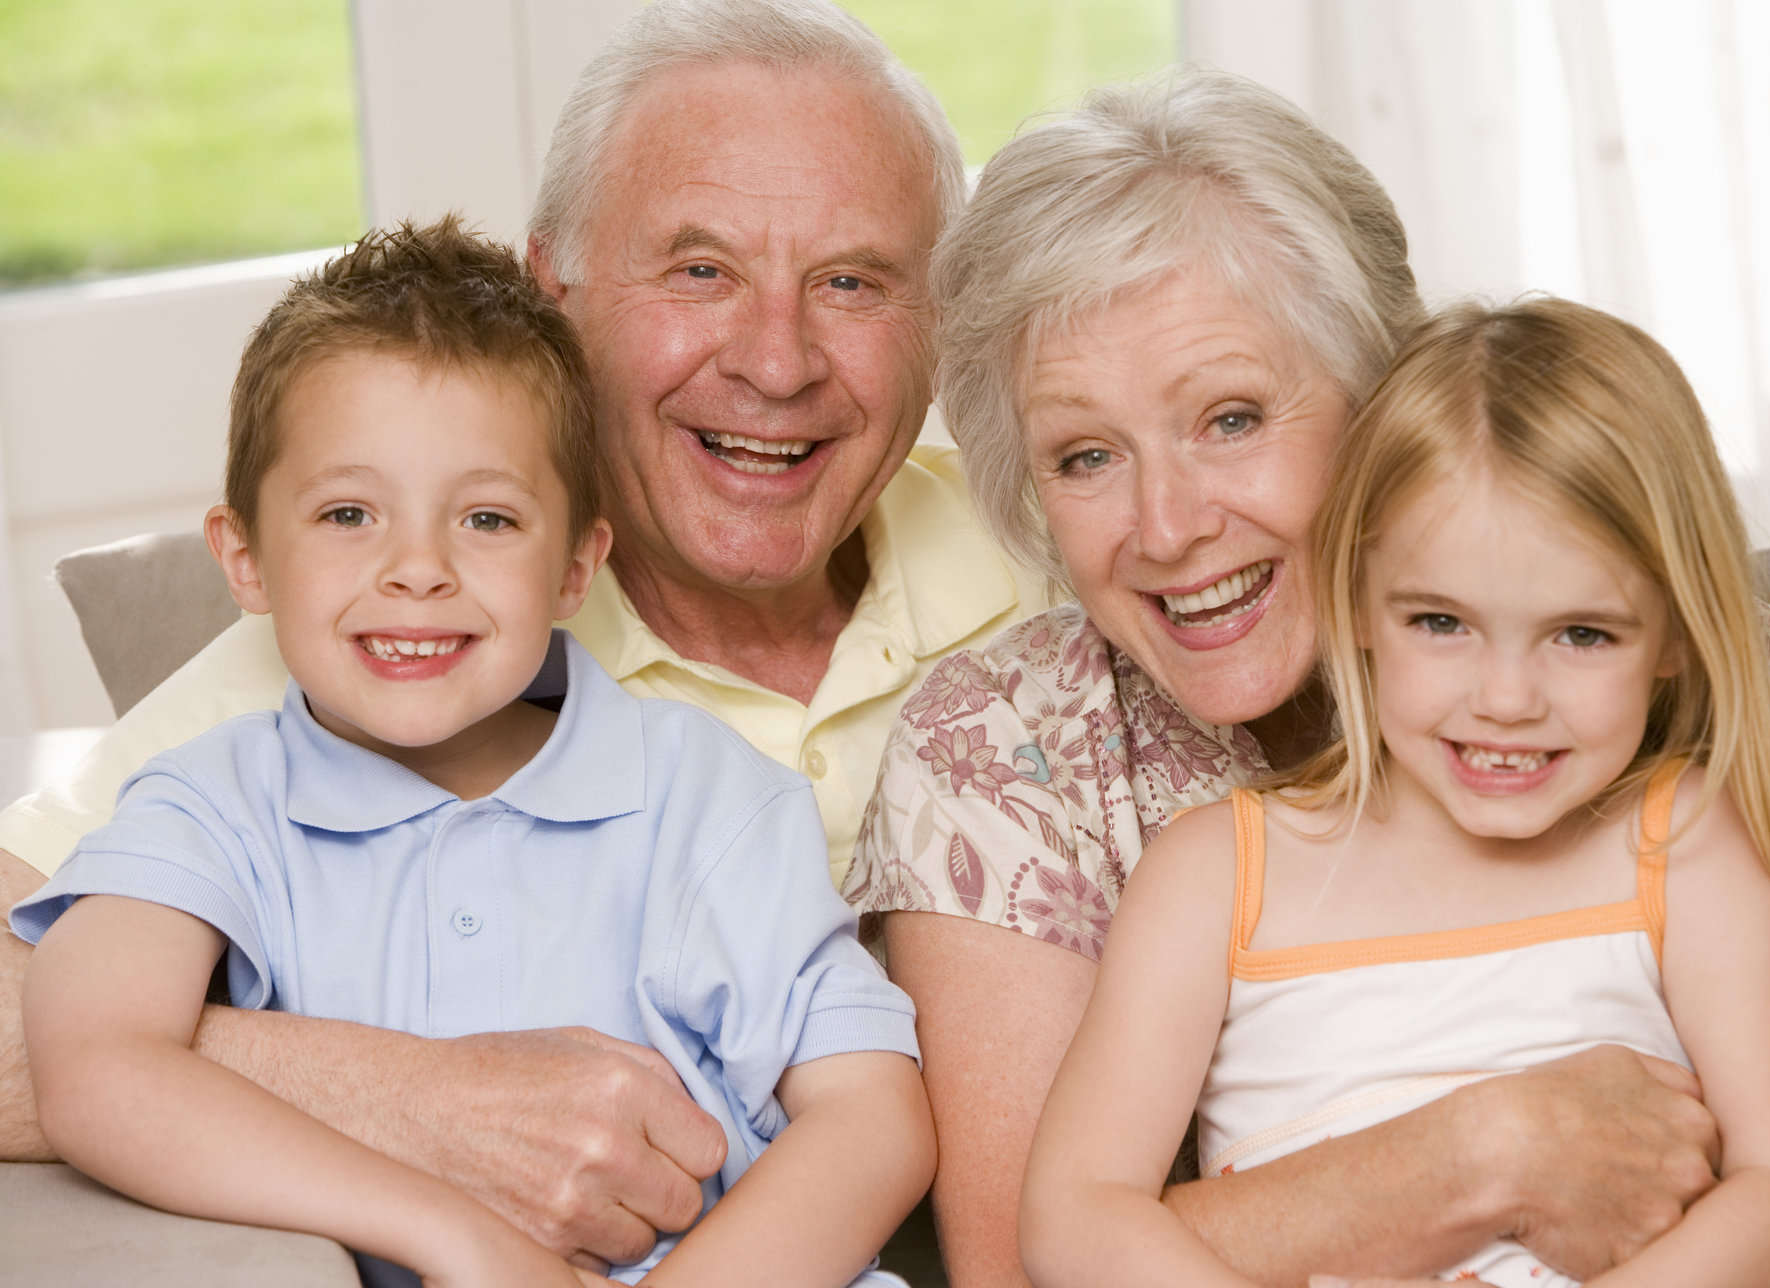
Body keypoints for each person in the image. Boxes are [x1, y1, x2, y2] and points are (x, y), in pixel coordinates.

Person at [0, 0, 1046, 1267]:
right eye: (700, 268)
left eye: (850, 282)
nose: (778, 362)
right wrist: (408, 1100)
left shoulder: (1075, 545)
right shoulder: (353, 661)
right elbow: (56, 1029)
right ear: (558, 295)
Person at [848, 68, 1770, 1287]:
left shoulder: (1675, 664)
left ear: (1382, 402)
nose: (1163, 526)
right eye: (1085, 454)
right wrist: (1487, 1151)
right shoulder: (1013, 757)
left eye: (1232, 417)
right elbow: (1028, 1269)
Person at [1019, 298, 1770, 1288]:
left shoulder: (1686, 844)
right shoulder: (1213, 874)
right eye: (1440, 622)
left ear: (1673, 635)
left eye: (1582, 633)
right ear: (1355, 598)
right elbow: (1074, 1218)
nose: (1504, 700)